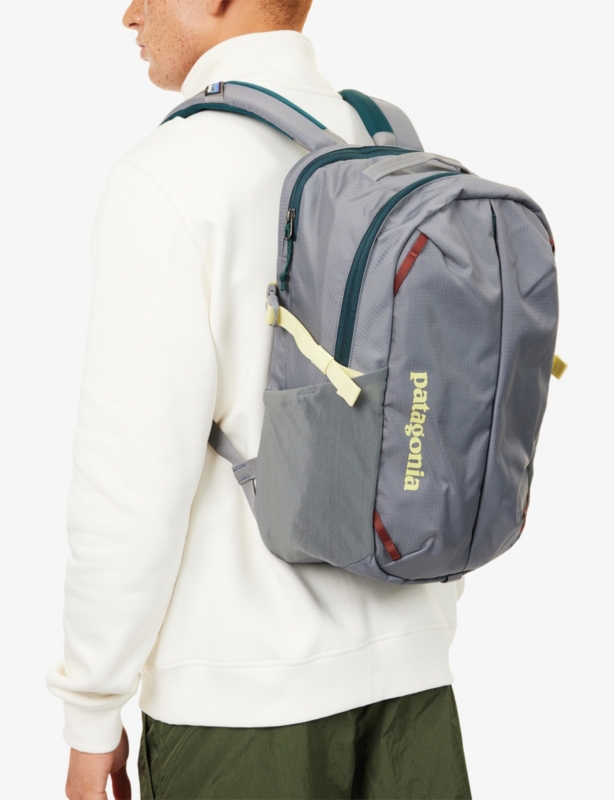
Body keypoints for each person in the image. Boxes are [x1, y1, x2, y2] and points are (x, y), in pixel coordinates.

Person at [47, 1, 472, 798]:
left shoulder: (168, 174)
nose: (130, 14)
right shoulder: (392, 144)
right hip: (415, 688)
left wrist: (91, 710)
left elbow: (128, 485)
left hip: (243, 710)